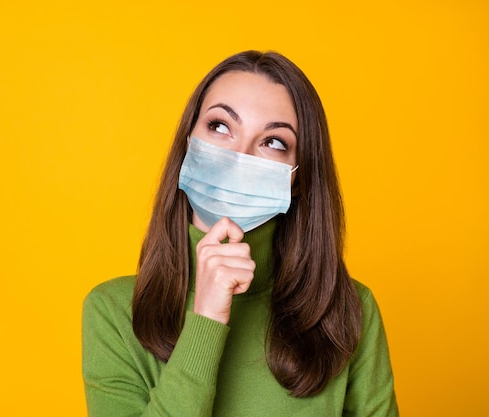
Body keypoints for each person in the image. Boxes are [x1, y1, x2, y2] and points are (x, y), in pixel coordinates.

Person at [82, 50, 398, 416]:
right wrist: (206, 320)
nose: (240, 155)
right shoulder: (114, 313)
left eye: (273, 142)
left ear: (297, 179)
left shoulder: (346, 311)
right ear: (187, 141)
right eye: (219, 126)